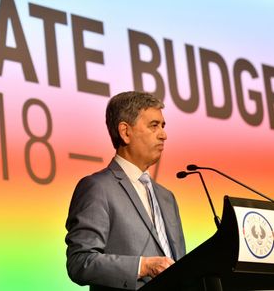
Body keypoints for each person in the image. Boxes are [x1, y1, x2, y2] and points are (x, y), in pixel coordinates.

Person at [65, 91, 186, 290]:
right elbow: (80, 262)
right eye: (154, 125)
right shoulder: (97, 188)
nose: (164, 134)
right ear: (125, 132)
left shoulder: (167, 197)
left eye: (163, 126)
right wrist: (143, 266)